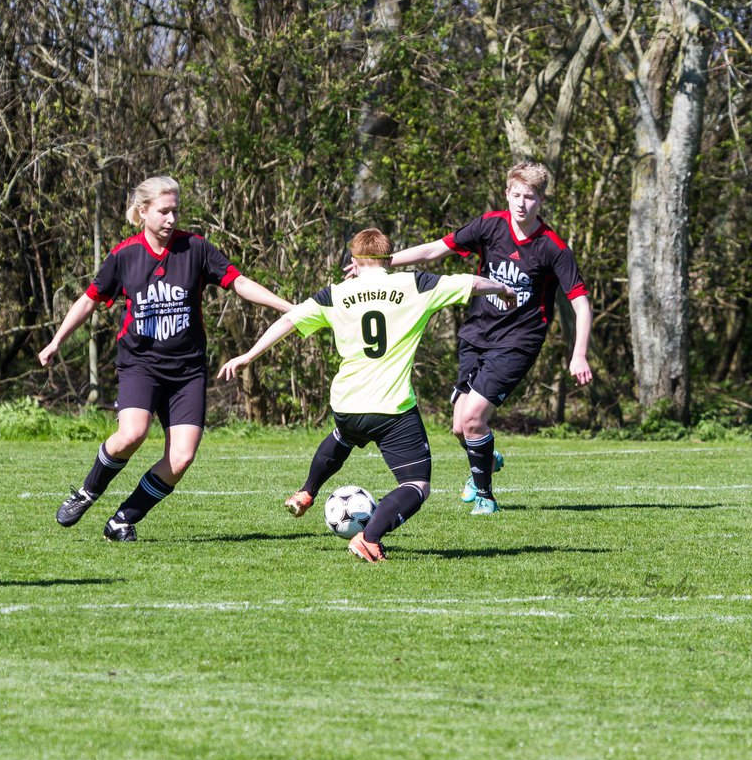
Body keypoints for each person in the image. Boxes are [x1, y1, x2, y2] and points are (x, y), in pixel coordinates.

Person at [218, 228, 517, 562]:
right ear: (389, 260)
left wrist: (247, 356)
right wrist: (503, 289)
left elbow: (287, 321)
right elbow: (472, 282)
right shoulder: (415, 284)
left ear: (354, 262)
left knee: (344, 435)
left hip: (347, 404)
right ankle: (369, 538)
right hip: (391, 408)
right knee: (416, 485)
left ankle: (307, 491)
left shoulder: (335, 294)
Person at [39, 175, 291, 541]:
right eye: (164, 211)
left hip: (187, 371)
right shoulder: (125, 255)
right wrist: (56, 341)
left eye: (176, 210)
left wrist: (287, 307)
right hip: (140, 365)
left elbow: (238, 282)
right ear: (143, 212)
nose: (172, 218)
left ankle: (122, 519)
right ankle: (87, 492)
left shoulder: (196, 248)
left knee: (182, 458)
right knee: (131, 435)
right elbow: (90, 299)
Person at [374, 160, 593, 515]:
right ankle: (487, 459)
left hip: (519, 341)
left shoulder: (552, 247)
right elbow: (433, 250)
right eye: (517, 195)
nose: (522, 203)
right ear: (507, 193)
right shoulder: (490, 226)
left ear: (541, 201)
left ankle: (485, 496)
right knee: (460, 426)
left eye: (531, 197)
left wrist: (579, 353)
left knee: (474, 418)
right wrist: (379, 263)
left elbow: (581, 304)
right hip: (477, 334)